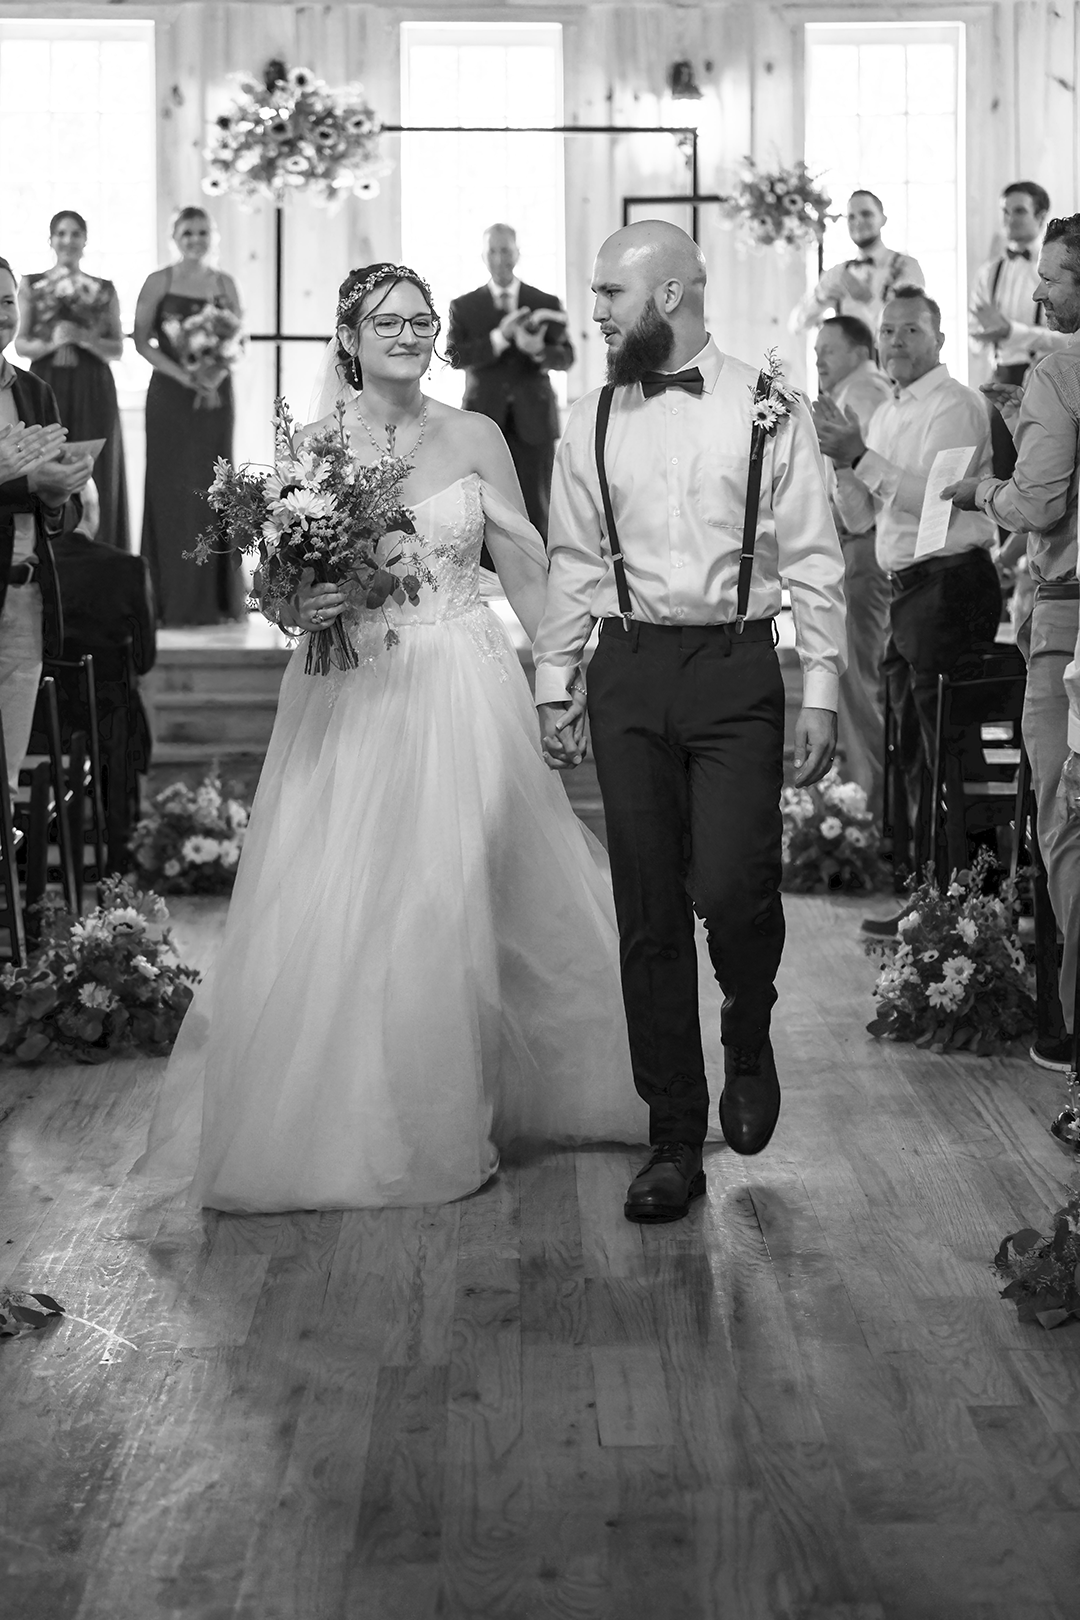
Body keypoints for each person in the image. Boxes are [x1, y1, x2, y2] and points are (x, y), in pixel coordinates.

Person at [136, 262, 642, 1213]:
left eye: (420, 321)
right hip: (353, 694)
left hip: (462, 684)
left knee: (453, 896)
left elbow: (528, 570)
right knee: (352, 894)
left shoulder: (477, 434)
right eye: (388, 322)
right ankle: (363, 1116)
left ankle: (461, 1107)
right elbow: (277, 589)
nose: (409, 335)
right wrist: (302, 599)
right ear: (350, 337)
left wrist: (557, 682)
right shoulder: (315, 446)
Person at [535, 221, 847, 1225]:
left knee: (734, 886)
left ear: (665, 297)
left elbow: (813, 555)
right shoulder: (586, 418)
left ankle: (747, 1029)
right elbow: (574, 562)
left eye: (608, 295)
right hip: (628, 669)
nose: (594, 313)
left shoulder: (768, 406)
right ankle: (674, 1133)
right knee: (648, 912)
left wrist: (825, 689)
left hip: (735, 667)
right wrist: (556, 682)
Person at [814, 287, 1001, 916]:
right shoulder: (890, 412)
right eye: (888, 331)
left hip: (951, 583)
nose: (895, 342)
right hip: (908, 588)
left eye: (910, 331)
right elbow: (865, 518)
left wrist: (861, 455)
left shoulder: (956, 405)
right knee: (909, 748)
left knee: (943, 746)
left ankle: (964, 899)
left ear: (940, 339)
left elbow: (940, 500)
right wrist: (841, 465)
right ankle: (928, 892)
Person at [944, 213, 1080, 1072]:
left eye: (1055, 276)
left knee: (1066, 828)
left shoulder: (1061, 369)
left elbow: (1039, 505)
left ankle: (1071, 1042)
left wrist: (979, 487)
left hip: (1070, 619)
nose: (1036, 291)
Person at [0, 256, 91, 791]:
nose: (1, 313)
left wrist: (58, 496)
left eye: (8, 301)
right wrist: (23, 485)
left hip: (24, 599)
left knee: (7, 778)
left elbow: (65, 510)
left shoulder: (34, 392)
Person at [134, 206, 244, 626]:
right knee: (172, 491)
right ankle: (169, 599)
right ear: (174, 237)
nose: (195, 238)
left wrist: (213, 375)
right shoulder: (159, 280)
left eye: (202, 231)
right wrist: (185, 375)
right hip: (170, 396)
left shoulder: (224, 283)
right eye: (187, 232)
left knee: (213, 488)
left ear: (212, 236)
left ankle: (216, 600)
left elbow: (237, 338)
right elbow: (143, 341)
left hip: (216, 396)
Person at [49, 478, 156, 872]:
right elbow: (145, 660)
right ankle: (118, 855)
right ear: (91, 511)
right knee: (125, 711)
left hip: (38, 724)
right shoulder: (127, 568)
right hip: (108, 721)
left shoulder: (24, 573)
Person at [447, 224, 574, 543]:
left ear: (517, 253)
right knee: (481, 509)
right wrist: (499, 338)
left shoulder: (544, 300)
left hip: (534, 422)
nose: (500, 258)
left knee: (537, 507)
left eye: (506, 250)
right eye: (493, 250)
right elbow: (455, 357)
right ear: (483, 256)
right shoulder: (463, 307)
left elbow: (566, 358)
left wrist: (539, 351)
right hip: (483, 417)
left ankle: (542, 580)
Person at [15, 209, 130, 552]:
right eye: (61, 234)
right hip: (46, 382)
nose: (68, 240)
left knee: (97, 467)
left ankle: (104, 552)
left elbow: (117, 348)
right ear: (50, 241)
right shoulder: (31, 285)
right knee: (46, 463)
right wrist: (55, 340)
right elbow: (21, 344)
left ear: (85, 241)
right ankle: (46, 553)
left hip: (93, 385)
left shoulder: (103, 289)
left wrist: (83, 339)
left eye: (75, 233)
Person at [814, 315, 893, 815]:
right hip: (863, 544)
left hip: (864, 545)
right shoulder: (858, 390)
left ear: (862, 352)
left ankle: (869, 805)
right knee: (856, 677)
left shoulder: (861, 393)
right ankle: (865, 800)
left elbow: (859, 506)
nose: (819, 358)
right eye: (817, 349)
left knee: (859, 680)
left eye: (830, 350)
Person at [969, 181, 1072, 385]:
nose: (1009, 220)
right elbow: (973, 340)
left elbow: (1069, 338)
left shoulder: (1061, 270)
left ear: (1041, 216)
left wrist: (1012, 332)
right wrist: (981, 335)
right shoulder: (988, 272)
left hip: (1050, 380)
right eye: (1005, 211)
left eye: (1019, 211)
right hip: (998, 379)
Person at [791, 190, 924, 336]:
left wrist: (866, 299)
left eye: (866, 214)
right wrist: (821, 298)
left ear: (883, 219)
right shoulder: (838, 273)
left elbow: (909, 325)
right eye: (851, 217)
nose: (858, 222)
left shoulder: (906, 266)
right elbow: (795, 326)